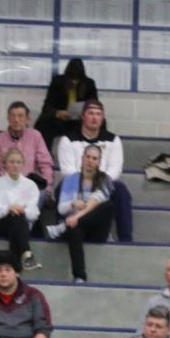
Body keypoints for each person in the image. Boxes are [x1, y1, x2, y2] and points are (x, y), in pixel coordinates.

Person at [54, 99, 132, 242]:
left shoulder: (113, 140)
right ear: (83, 116)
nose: (94, 117)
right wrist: (86, 181)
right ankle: (63, 230)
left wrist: (98, 183)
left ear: (102, 118)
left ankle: (126, 240)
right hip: (77, 182)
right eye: (90, 113)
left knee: (121, 190)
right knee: (61, 186)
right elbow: (68, 170)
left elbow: (115, 169)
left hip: (103, 183)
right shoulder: (68, 139)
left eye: (98, 114)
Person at [44, 143, 113, 282]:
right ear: (82, 158)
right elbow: (61, 209)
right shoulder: (70, 179)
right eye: (88, 157)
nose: (90, 161)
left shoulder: (105, 179)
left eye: (94, 158)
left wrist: (77, 216)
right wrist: (73, 203)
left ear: (99, 161)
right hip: (76, 228)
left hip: (96, 230)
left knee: (109, 206)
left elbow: (94, 202)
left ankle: (62, 227)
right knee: (74, 230)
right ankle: (79, 277)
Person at [0, 147, 42, 272]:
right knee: (15, 217)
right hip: (0, 224)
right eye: (11, 162)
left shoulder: (31, 185)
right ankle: (26, 253)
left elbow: (34, 214)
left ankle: (16, 270)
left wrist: (22, 210)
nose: (15, 165)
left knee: (18, 219)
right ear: (5, 164)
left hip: (21, 224)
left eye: (18, 162)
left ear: (23, 164)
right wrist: (9, 209)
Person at [0, 100, 54, 191]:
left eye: (20, 116)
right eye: (13, 116)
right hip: (5, 187)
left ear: (27, 119)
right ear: (8, 118)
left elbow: (45, 164)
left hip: (30, 187)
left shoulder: (35, 136)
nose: (16, 120)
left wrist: (47, 187)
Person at [34, 57, 98, 148]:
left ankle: (93, 153)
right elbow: (47, 106)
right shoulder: (58, 82)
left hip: (80, 121)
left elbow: (94, 105)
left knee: (100, 122)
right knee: (44, 123)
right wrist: (57, 113)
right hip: (60, 120)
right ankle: (45, 156)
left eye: (77, 80)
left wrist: (85, 114)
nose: (74, 82)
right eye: (72, 79)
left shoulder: (89, 84)